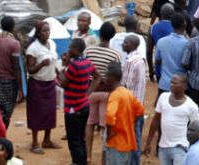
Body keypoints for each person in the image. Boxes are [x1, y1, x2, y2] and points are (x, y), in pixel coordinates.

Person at [84, 22, 124, 164]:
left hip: (91, 92)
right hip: (107, 94)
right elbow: (118, 75)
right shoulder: (115, 55)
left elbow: (86, 72)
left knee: (89, 124)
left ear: (99, 34)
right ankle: (103, 158)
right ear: (112, 37)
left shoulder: (89, 51)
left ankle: (88, 156)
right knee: (104, 127)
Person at [144, 73, 199, 165]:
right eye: (171, 82)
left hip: (180, 148)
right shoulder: (163, 97)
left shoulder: (192, 106)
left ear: (184, 86)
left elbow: (196, 129)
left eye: (175, 83)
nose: (171, 85)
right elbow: (155, 120)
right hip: (163, 147)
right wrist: (148, 143)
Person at [60, 38, 98, 165]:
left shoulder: (74, 66)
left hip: (73, 108)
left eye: (70, 47)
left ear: (76, 49)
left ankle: (78, 162)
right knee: (81, 138)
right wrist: (87, 93)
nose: (68, 50)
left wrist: (62, 69)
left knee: (73, 140)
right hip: (84, 105)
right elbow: (97, 77)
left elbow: (63, 83)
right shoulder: (87, 61)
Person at [25, 20, 60, 154]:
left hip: (50, 82)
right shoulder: (33, 49)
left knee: (50, 112)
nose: (47, 33)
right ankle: (34, 142)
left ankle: (47, 140)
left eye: (48, 30)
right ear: (38, 33)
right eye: (44, 31)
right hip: (37, 84)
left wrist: (58, 74)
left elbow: (54, 62)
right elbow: (30, 70)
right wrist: (41, 65)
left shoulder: (52, 44)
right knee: (36, 113)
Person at [0, 16, 23, 129]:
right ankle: (2, 137)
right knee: (6, 115)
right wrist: (20, 89)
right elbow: (16, 68)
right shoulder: (14, 44)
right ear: (13, 27)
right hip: (9, 84)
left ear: (1, 26)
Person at [104, 62, 145, 165]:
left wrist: (109, 134)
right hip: (127, 142)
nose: (104, 80)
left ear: (112, 78)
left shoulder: (114, 95)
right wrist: (128, 122)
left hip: (116, 143)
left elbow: (110, 115)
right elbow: (140, 109)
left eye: (106, 77)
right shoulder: (127, 92)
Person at [122, 35, 148, 165]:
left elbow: (126, 85)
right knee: (136, 136)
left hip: (130, 106)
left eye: (125, 42)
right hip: (139, 104)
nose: (123, 44)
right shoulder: (141, 59)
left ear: (132, 45)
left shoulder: (130, 61)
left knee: (133, 138)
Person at [156, 13, 189, 95]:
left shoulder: (161, 41)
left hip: (164, 85)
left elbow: (158, 60)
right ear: (185, 25)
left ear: (172, 25)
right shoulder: (188, 44)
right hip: (181, 86)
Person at [149, 3, 175, 81]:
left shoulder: (153, 27)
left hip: (159, 68)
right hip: (174, 69)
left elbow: (148, 51)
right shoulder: (176, 28)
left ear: (161, 13)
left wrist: (150, 70)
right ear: (173, 14)